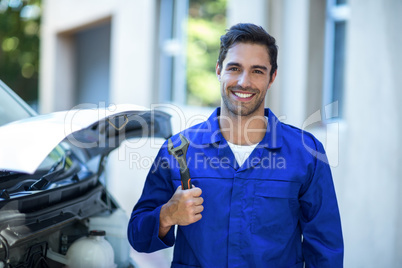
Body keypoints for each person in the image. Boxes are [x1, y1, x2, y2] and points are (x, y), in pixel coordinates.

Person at [128, 23, 344, 267]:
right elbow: (138, 237)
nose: (244, 81)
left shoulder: (307, 154)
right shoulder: (177, 150)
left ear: (272, 77)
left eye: (257, 71)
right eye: (234, 68)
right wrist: (166, 215)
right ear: (219, 70)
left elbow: (325, 251)